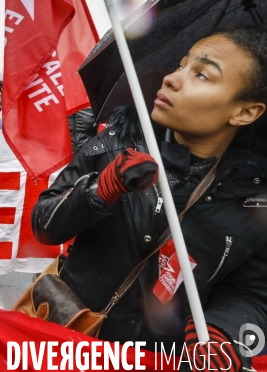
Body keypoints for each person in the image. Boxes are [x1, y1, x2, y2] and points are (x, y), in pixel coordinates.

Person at [32, 26, 267, 371]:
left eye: (201, 74)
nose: (172, 78)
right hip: (71, 345)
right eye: (181, 65)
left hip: (163, 360)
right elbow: (44, 225)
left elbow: (253, 293)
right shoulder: (115, 143)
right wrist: (102, 189)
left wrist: (222, 332)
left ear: (244, 112)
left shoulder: (254, 197)